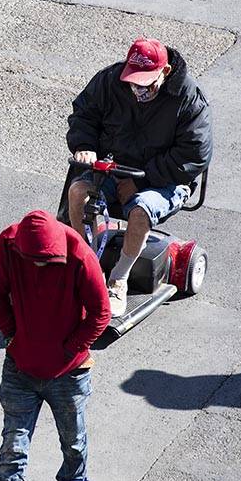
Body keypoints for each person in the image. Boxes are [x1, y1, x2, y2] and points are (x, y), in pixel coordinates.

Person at [0, 209, 110, 481]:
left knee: (73, 441)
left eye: (45, 263)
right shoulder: (8, 242)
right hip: (21, 369)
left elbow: (101, 312)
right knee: (11, 454)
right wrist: (11, 336)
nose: (36, 267)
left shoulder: (78, 252)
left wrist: (71, 348)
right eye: (30, 261)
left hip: (69, 372)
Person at [66, 36, 212, 314]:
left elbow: (194, 155)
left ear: (165, 72)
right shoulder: (110, 81)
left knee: (141, 210)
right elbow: (84, 113)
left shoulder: (189, 100)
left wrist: (142, 181)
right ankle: (86, 267)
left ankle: (118, 279)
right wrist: (84, 146)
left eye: (145, 83)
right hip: (116, 166)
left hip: (164, 180)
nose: (137, 89)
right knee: (77, 193)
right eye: (133, 81)